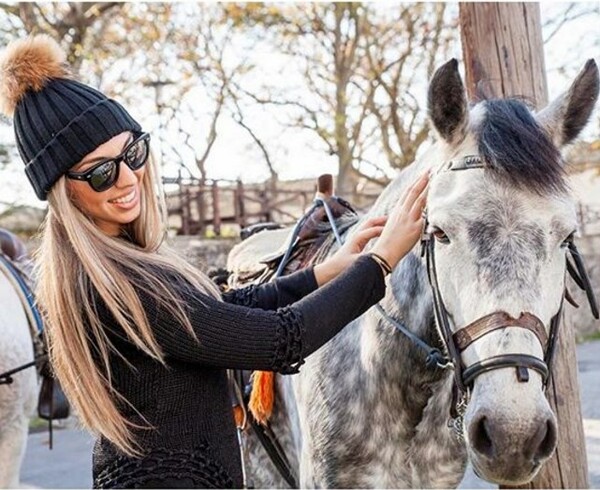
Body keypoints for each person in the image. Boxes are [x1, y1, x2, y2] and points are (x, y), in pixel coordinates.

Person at [0, 34, 428, 489]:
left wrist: (330, 268)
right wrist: (379, 262)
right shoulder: (119, 285)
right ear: (64, 191)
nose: (128, 178)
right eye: (102, 172)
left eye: (133, 153)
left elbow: (221, 309)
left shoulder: (123, 265)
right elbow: (281, 339)